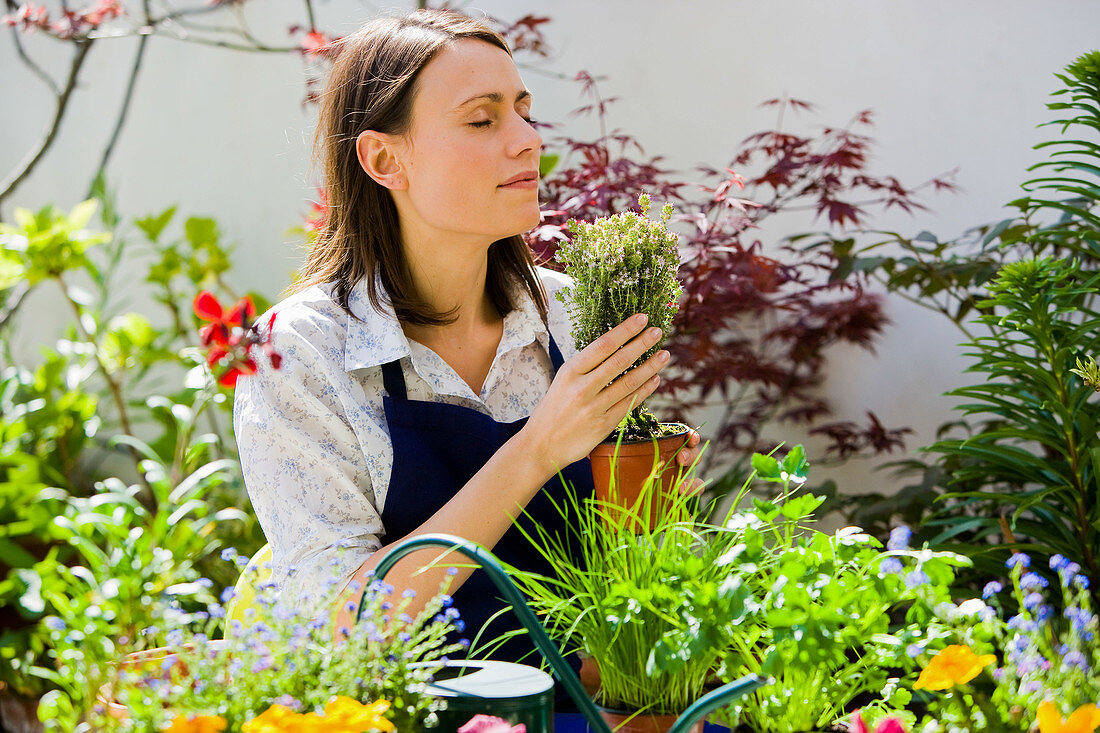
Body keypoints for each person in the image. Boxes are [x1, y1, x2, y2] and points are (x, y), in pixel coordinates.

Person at [233, 8, 701, 664]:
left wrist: (655, 503)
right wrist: (536, 450)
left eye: (523, 110)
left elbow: (636, 587)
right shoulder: (300, 354)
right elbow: (339, 629)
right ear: (384, 158)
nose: (528, 140)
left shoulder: (567, 317)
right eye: (483, 119)